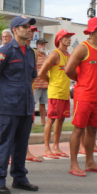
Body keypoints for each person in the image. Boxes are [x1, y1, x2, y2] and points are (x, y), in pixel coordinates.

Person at [0, 15, 39, 194]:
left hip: (25, 105)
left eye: (30, 28)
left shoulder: (31, 53)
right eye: (25, 27)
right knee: (4, 143)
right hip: (8, 105)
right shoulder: (5, 51)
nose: (29, 30)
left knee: (21, 144)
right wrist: (7, 91)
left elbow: (32, 77)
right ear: (15, 30)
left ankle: (19, 177)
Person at [64, 17, 97, 176]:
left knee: (93, 130)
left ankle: (90, 162)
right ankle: (74, 164)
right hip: (83, 96)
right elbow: (69, 70)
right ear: (92, 31)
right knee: (79, 130)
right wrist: (80, 80)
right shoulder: (82, 48)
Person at [37, 29, 75, 159]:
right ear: (60, 39)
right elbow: (41, 73)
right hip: (55, 93)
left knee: (61, 120)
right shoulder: (55, 54)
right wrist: (51, 83)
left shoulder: (68, 55)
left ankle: (56, 147)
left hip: (65, 93)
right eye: (67, 37)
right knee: (51, 120)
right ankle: (47, 148)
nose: (69, 39)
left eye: (70, 37)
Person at [33, 38, 49, 126]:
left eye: (44, 44)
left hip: (45, 84)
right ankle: (31, 121)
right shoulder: (35, 55)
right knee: (32, 103)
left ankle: (43, 122)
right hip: (36, 84)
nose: (43, 46)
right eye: (41, 44)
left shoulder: (46, 56)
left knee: (43, 104)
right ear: (37, 46)